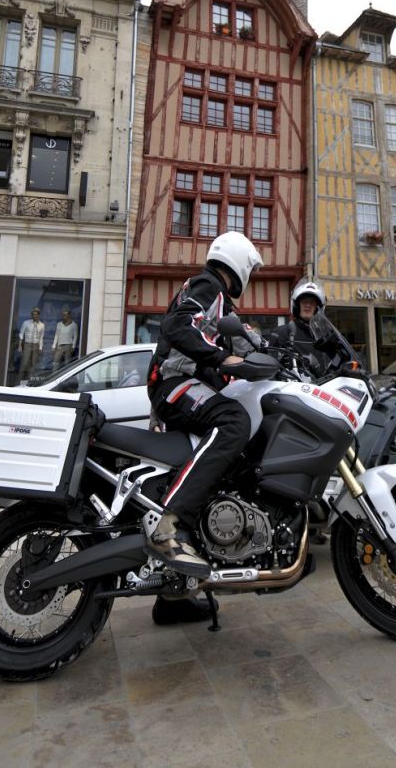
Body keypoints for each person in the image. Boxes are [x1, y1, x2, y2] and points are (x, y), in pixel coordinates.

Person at [146, 231, 263, 583]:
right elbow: (179, 325)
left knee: (228, 463)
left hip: (180, 386)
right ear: (239, 262)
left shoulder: (219, 300)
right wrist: (222, 358)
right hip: (173, 385)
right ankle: (170, 526)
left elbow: (242, 337)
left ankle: (176, 593)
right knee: (234, 422)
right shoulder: (208, 286)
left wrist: (268, 350)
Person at [269, 279, 331, 376]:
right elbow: (270, 364)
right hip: (293, 387)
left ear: (318, 307)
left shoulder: (325, 336)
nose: (308, 305)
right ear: (297, 305)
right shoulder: (283, 332)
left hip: (323, 386)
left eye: (312, 302)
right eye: (304, 301)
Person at [18, 308, 45, 381]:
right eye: (33, 314)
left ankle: (29, 380)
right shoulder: (26, 323)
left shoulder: (42, 325)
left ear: (39, 315)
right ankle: (19, 380)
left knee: (33, 363)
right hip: (27, 343)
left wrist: (40, 348)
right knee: (24, 362)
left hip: (36, 344)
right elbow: (21, 333)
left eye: (36, 314)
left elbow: (41, 337)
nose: (34, 316)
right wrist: (20, 345)